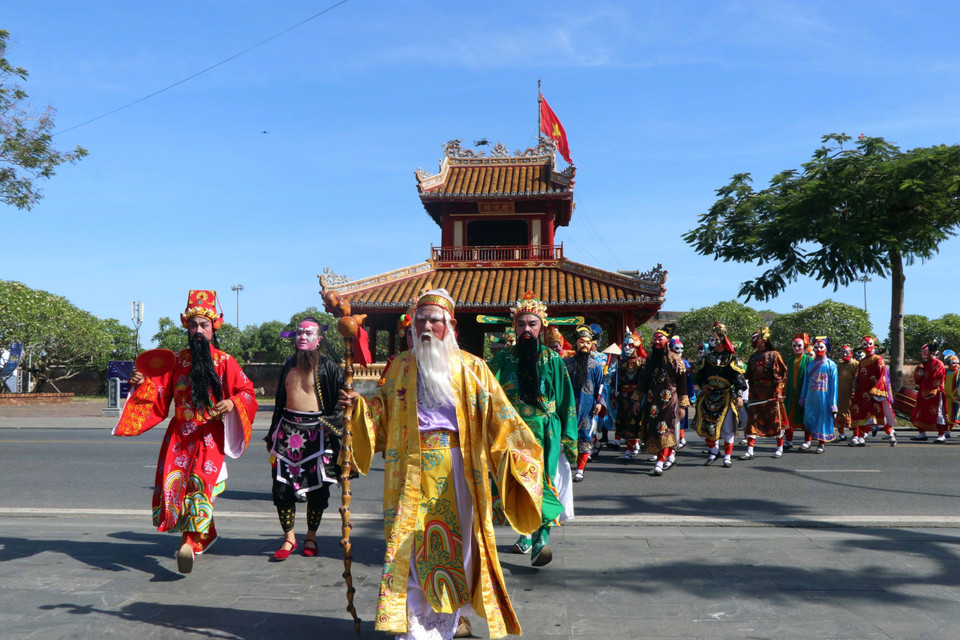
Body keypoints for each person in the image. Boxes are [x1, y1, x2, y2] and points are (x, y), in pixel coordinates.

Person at [339, 288, 545, 640]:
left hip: (458, 472)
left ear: (450, 326)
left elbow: (503, 419)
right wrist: (359, 406)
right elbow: (381, 418)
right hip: (407, 472)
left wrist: (522, 459)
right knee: (409, 549)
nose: (426, 326)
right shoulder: (400, 367)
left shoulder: (473, 368)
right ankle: (415, 628)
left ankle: (445, 623)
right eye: (421, 319)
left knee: (456, 549)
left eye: (435, 320)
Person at [115, 290, 258, 574]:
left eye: (203, 325)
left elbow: (247, 391)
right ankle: (209, 534)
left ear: (214, 327)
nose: (198, 331)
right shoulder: (176, 362)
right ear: (187, 327)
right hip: (179, 437)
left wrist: (232, 401)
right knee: (177, 488)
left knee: (200, 487)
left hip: (209, 436)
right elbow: (158, 393)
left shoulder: (225, 362)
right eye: (193, 325)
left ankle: (189, 544)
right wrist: (141, 383)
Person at [488, 292, 577, 564]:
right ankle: (525, 532)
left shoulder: (552, 360)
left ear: (542, 327)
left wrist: (567, 438)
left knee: (544, 483)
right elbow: (485, 392)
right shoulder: (502, 360)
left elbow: (566, 402)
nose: (526, 329)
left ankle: (542, 539)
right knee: (518, 484)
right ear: (513, 327)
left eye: (532, 324)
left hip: (545, 433)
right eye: (521, 324)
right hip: (513, 433)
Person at [264, 317, 344, 560]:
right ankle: (289, 538)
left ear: (319, 339)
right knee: (281, 488)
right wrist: (272, 433)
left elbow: (343, 403)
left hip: (319, 434)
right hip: (286, 434)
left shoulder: (331, 367)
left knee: (318, 491)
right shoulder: (288, 366)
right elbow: (279, 403)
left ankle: (311, 536)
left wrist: (333, 424)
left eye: (309, 333)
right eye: (299, 332)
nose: (302, 336)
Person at [632, 324, 689, 476]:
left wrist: (683, 406)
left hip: (669, 401)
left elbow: (683, 385)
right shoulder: (649, 361)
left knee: (665, 430)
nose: (656, 342)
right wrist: (637, 400)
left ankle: (659, 462)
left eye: (660, 339)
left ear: (668, 341)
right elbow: (642, 381)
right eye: (654, 338)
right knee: (653, 430)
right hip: (652, 401)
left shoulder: (677, 362)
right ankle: (669, 456)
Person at [693, 321, 747, 468]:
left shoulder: (732, 359)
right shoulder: (706, 358)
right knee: (705, 425)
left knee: (728, 427)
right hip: (709, 396)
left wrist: (739, 394)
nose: (713, 342)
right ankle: (714, 451)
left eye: (716, 339)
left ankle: (727, 456)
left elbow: (739, 379)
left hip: (726, 396)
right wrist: (703, 387)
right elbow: (698, 376)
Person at [563, 325, 607, 481]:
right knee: (566, 437)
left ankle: (580, 470)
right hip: (568, 407)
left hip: (588, 407)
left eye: (588, 343)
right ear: (576, 343)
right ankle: (565, 467)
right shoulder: (566, 363)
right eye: (582, 342)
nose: (585, 345)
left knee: (585, 436)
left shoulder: (596, 366)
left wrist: (600, 403)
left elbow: (601, 386)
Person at [742, 327, 788, 460]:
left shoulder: (774, 355)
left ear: (764, 340)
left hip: (771, 394)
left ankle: (779, 447)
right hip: (756, 393)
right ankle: (750, 450)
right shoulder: (753, 357)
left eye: (757, 339)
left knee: (775, 421)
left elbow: (781, 375)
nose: (754, 342)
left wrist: (779, 391)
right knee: (752, 421)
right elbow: (747, 375)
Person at [849, 336, 898, 446]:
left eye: (869, 344)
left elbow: (882, 376)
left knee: (878, 416)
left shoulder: (878, 360)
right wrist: (856, 382)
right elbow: (860, 376)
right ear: (862, 346)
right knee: (863, 415)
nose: (867, 346)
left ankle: (890, 434)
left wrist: (877, 390)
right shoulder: (861, 362)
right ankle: (861, 437)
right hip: (862, 393)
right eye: (864, 344)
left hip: (875, 393)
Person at [798, 336, 838, 453]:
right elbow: (805, 382)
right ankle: (808, 441)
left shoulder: (831, 365)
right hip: (811, 398)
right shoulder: (810, 364)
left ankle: (821, 444)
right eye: (816, 347)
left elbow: (834, 386)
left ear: (826, 348)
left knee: (822, 422)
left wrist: (833, 404)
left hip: (824, 399)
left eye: (821, 346)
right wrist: (803, 396)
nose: (819, 349)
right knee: (809, 419)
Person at [614, 330, 646, 456]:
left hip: (636, 396)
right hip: (623, 396)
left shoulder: (642, 362)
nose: (627, 348)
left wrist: (639, 398)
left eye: (631, 345)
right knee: (622, 421)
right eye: (625, 345)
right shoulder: (620, 363)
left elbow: (643, 382)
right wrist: (613, 395)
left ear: (637, 346)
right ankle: (631, 445)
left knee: (634, 421)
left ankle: (629, 448)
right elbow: (615, 381)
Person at [911, 341, 947, 442]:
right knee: (919, 412)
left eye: (924, 351)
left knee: (938, 413)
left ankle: (941, 435)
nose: (923, 354)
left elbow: (938, 378)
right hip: (923, 392)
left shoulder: (938, 364)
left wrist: (931, 390)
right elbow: (918, 380)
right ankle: (921, 433)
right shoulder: (924, 364)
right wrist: (919, 371)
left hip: (935, 392)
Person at [783, 333, 812, 450]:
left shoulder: (809, 360)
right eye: (794, 346)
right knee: (788, 418)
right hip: (791, 394)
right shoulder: (790, 360)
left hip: (804, 394)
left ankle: (807, 441)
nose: (796, 348)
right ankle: (788, 440)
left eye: (799, 346)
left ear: (804, 346)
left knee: (805, 418)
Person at [670, 335, 695, 450]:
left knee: (681, 417)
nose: (679, 351)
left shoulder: (684, 362)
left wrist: (691, 396)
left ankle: (681, 438)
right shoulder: (668, 362)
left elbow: (688, 380)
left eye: (681, 348)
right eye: (676, 348)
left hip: (682, 393)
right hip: (670, 394)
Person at [834, 344, 859, 442]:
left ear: (851, 353)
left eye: (846, 352)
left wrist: (854, 389)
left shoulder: (856, 364)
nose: (844, 354)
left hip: (851, 393)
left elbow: (857, 378)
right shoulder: (839, 365)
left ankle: (855, 435)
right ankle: (841, 434)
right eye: (842, 352)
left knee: (853, 414)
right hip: (840, 394)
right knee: (839, 413)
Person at [943, 350, 960, 437]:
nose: (955, 365)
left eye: (957, 363)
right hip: (947, 398)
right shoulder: (945, 372)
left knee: (957, 414)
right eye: (953, 363)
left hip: (956, 398)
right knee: (948, 415)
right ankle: (948, 431)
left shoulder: (959, 372)